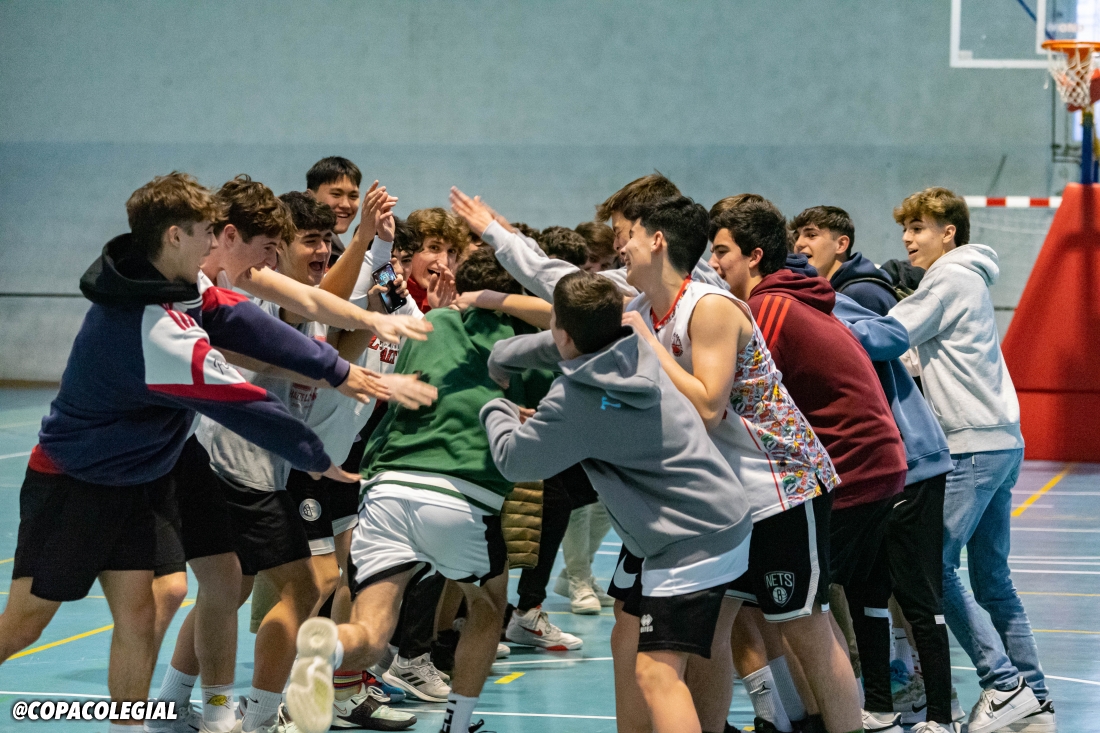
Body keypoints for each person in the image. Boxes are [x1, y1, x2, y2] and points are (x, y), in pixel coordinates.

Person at [0, 173, 354, 733]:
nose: (213, 241)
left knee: (143, 613)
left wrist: (344, 358)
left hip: (137, 481)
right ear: (173, 236)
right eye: (206, 231)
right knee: (25, 624)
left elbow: (248, 323)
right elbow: (241, 400)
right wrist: (315, 452)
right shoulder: (150, 322)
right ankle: (214, 709)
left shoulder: (185, 292)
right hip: (76, 482)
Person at [148, 177, 427, 733]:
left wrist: (370, 318)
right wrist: (365, 248)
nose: (313, 252)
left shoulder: (280, 289)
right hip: (239, 460)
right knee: (301, 584)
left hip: (266, 461)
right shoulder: (239, 289)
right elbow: (277, 342)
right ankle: (251, 714)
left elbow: (328, 323)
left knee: (228, 586)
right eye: (301, 242)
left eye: (325, 241)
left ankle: (177, 704)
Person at [285, 249, 552, 733]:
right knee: (488, 607)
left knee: (371, 630)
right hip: (459, 494)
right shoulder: (523, 344)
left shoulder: (429, 324)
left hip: (387, 488)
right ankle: (456, 723)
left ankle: (332, 649)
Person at [480, 270, 754, 733]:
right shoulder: (633, 343)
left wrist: (495, 406)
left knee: (656, 674)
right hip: (723, 517)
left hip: (687, 542)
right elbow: (561, 346)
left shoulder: (576, 398)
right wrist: (503, 356)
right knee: (693, 648)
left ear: (563, 331)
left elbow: (514, 460)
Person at [709, 197, 909, 733]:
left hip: (850, 468)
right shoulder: (784, 298)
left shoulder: (767, 309)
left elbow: (728, 397)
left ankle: (817, 717)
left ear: (754, 255)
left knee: (801, 616)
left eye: (721, 251)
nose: (713, 263)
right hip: (863, 465)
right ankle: (797, 717)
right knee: (773, 607)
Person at [888, 187, 1050, 733]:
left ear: (949, 232)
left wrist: (831, 314)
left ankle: (1003, 684)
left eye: (919, 228)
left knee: (932, 566)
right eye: (906, 229)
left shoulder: (948, 278)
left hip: (973, 445)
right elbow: (918, 353)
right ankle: (1035, 694)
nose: (908, 238)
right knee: (992, 579)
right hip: (1002, 440)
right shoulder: (970, 280)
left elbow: (887, 334)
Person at [790, 206, 897, 315]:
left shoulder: (863, 293)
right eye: (797, 237)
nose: (798, 243)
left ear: (841, 244)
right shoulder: (831, 291)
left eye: (811, 235)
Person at [306, 155, 362, 260]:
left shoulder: (337, 248)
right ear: (309, 197)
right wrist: (362, 237)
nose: (345, 204)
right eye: (336, 194)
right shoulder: (298, 243)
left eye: (353, 196)